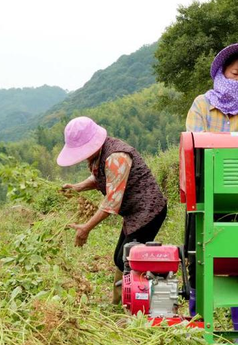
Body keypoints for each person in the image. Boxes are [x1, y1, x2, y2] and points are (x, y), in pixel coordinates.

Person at [185, 42, 238, 335]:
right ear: (222, 72)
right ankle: (197, 323)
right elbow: (194, 142)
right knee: (197, 256)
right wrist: (233, 143)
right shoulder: (201, 104)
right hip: (203, 189)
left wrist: (220, 143)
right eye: (235, 75)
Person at [58, 117, 167, 301]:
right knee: (121, 257)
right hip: (134, 213)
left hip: (149, 211)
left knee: (130, 259)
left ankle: (153, 293)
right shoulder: (100, 155)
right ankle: (122, 302)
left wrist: (86, 228)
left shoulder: (117, 157)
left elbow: (111, 203)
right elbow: (100, 178)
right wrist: (77, 187)